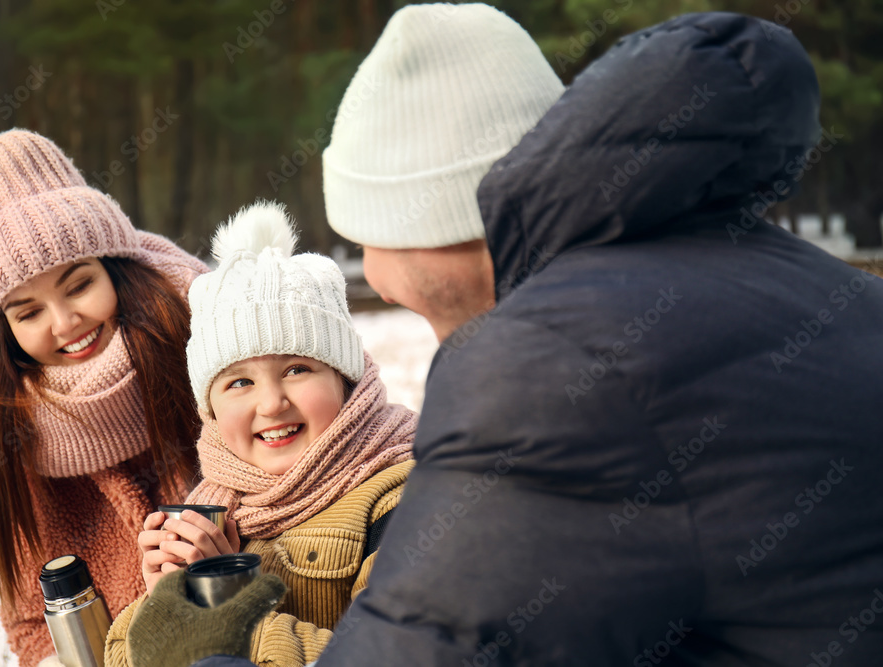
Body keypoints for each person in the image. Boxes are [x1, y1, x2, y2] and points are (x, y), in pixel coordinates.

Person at [315, 6, 883, 666]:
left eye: (367, 236)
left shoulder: (554, 363)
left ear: (438, 221)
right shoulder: (832, 292)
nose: (376, 280)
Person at [104, 201, 417, 667]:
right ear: (210, 408)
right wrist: (166, 598)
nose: (271, 403)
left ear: (346, 381)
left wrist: (221, 606)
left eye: (296, 368)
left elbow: (399, 655)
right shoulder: (214, 506)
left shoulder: (398, 497)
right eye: (239, 383)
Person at [0, 129, 209, 667]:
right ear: (6, 328)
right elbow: (29, 624)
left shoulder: (210, 341)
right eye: (29, 311)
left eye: (78, 284)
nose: (65, 324)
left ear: (113, 266)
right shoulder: (10, 424)